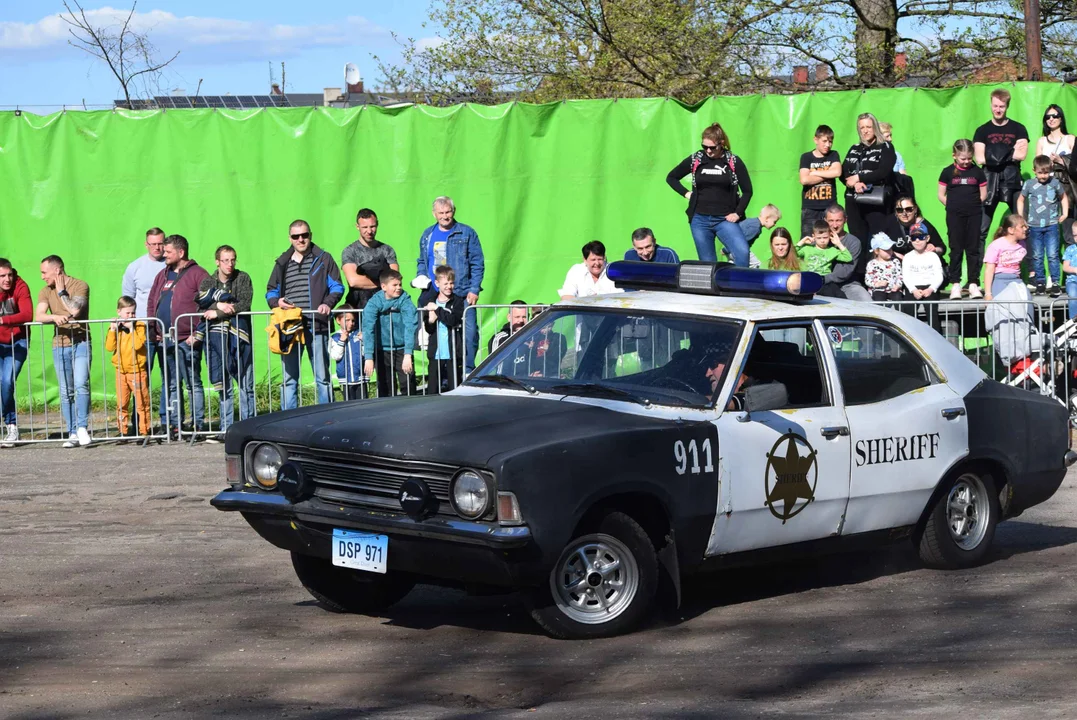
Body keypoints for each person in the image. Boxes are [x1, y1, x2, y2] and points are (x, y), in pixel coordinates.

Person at [266, 219, 344, 409]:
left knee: (323, 377)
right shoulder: (282, 263)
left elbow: (337, 287)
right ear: (290, 238)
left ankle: (326, 419)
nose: (301, 239)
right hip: (289, 328)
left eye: (304, 235)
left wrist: (327, 303)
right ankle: (288, 421)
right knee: (289, 379)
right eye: (296, 236)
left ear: (310, 236)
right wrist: (277, 302)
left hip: (317, 326)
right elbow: (270, 291)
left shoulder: (324, 259)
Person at [666, 122, 754, 266]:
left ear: (722, 143)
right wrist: (687, 194)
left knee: (742, 252)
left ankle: (739, 286)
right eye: (704, 146)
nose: (708, 151)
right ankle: (714, 288)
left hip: (725, 219)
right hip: (699, 219)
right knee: (708, 265)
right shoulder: (697, 159)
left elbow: (747, 191)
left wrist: (738, 213)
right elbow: (671, 177)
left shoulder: (733, 161)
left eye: (712, 147)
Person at [147, 235, 210, 436]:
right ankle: (174, 425)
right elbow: (152, 302)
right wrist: (153, 328)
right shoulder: (162, 275)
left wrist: (198, 333)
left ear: (181, 253)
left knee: (193, 382)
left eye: (168, 252)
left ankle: (197, 424)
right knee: (171, 383)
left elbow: (209, 305)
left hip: (187, 339)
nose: (163, 254)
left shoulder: (198, 274)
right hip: (164, 339)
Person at [415, 197, 484, 375]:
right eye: (441, 213)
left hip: (461, 291)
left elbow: (477, 262)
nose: (445, 216)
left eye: (448, 212)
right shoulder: (427, 234)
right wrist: (421, 277)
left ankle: (467, 370)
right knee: (437, 333)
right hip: (434, 292)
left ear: (453, 211)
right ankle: (441, 373)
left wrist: (474, 289)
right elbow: (422, 260)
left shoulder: (467, 233)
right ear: (434, 214)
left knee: (469, 333)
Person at [195, 245, 254, 436]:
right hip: (216, 339)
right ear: (217, 262)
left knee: (246, 383)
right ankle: (226, 428)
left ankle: (248, 427)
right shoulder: (207, 282)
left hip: (240, 337)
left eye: (233, 259)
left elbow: (244, 303)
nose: (230, 264)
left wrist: (218, 311)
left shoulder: (243, 277)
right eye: (226, 260)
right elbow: (200, 304)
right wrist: (219, 303)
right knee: (224, 384)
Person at [36, 255, 92, 447]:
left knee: (81, 384)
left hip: (81, 341)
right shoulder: (44, 291)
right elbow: (39, 315)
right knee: (65, 391)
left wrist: (62, 293)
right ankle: (72, 431)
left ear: (57, 270)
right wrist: (54, 318)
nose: (42, 276)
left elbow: (75, 310)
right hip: (59, 344)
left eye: (45, 272)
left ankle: (82, 427)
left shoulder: (80, 285)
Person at [974, 89, 1029, 244]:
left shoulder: (1019, 128)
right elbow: (980, 158)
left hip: (1012, 178)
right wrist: (1009, 151)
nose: (998, 110)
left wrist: (992, 153)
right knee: (981, 230)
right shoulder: (982, 130)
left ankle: (1028, 266)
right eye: (995, 106)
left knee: (1022, 226)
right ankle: (977, 268)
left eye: (1002, 106)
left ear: (1007, 106)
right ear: (991, 105)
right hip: (989, 180)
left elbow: (1021, 155)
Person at [939, 140, 988, 299]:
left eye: (969, 158)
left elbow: (983, 194)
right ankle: (955, 284)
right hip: (954, 215)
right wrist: (953, 205)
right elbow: (941, 195)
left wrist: (973, 205)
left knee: (973, 248)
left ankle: (973, 283)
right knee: (956, 248)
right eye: (963, 159)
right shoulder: (947, 172)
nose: (966, 162)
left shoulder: (977, 172)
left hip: (974, 214)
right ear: (954, 156)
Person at [841, 113, 897, 243]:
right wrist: (855, 184)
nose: (865, 131)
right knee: (857, 241)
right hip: (854, 201)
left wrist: (860, 177)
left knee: (879, 241)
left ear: (875, 128)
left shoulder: (885, 147)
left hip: (876, 201)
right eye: (862, 128)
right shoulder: (854, 148)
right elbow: (844, 172)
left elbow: (884, 171)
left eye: (869, 127)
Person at [1017, 155, 1069, 295]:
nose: (1043, 176)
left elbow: (1063, 198)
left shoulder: (1055, 183)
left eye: (1046, 172)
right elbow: (1021, 200)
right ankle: (1040, 282)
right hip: (1034, 226)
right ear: (1034, 170)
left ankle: (1055, 283)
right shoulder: (1029, 184)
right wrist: (1022, 217)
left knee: (1052, 254)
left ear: (1050, 170)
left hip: (1051, 225)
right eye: (1040, 172)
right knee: (1037, 255)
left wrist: (1064, 213)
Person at [363, 269, 419, 397]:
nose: (398, 288)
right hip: (382, 350)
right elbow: (368, 328)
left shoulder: (405, 299)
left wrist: (408, 354)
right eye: (394, 285)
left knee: (407, 384)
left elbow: (410, 326)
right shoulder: (374, 302)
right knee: (385, 387)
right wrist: (369, 357)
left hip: (402, 348)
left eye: (400, 284)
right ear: (383, 286)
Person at [121, 228, 167, 377]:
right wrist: (130, 324)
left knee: (170, 377)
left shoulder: (172, 265)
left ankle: (169, 402)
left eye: (160, 243)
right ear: (146, 244)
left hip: (169, 328)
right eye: (152, 244)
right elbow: (127, 299)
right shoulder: (134, 267)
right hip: (143, 329)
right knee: (141, 375)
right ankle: (140, 402)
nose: (157, 247)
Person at [105, 296, 150, 441]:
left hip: (137, 371)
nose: (131, 316)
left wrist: (131, 330)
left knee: (142, 403)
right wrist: (112, 330)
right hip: (121, 371)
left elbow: (138, 345)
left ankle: (144, 431)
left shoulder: (140, 326)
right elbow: (109, 347)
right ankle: (122, 431)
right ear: (119, 312)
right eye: (127, 313)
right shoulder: (116, 327)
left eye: (133, 313)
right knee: (122, 403)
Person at [0, 259, 32, 447]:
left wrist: (4, 321)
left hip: (17, 341)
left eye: (10, 274)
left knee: (7, 381)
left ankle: (11, 425)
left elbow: (27, 314)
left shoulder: (20, 286)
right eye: (2, 276)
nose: (7, 279)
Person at [341, 208, 399, 309]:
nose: (369, 231)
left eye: (372, 226)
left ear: (377, 224)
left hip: (384, 307)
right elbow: (353, 281)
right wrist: (384, 283)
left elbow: (395, 278)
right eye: (365, 227)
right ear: (357, 227)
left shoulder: (387, 250)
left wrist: (388, 283)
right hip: (358, 307)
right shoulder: (350, 251)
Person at [422, 265, 466, 394]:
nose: (449, 286)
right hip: (436, 351)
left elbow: (454, 320)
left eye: (451, 283)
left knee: (454, 387)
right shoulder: (430, 300)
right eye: (445, 283)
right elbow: (429, 328)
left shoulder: (457, 301)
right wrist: (430, 321)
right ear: (437, 283)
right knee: (433, 388)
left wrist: (437, 310)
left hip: (452, 351)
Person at [799, 125, 842, 237]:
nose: (827, 145)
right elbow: (804, 180)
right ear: (815, 140)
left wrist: (814, 172)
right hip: (810, 208)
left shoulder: (833, 155)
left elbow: (837, 172)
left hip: (830, 207)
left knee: (832, 238)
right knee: (808, 239)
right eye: (824, 141)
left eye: (830, 141)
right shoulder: (806, 157)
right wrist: (828, 173)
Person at [822, 204, 871, 301]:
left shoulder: (854, 242)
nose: (835, 225)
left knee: (868, 303)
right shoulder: (820, 240)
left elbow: (846, 271)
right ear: (825, 220)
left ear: (845, 220)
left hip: (848, 284)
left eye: (838, 220)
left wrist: (822, 279)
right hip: (823, 285)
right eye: (831, 221)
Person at [901, 227, 945, 330]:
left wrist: (931, 289)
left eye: (921, 237)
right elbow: (906, 276)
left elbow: (939, 276)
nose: (917, 240)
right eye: (914, 237)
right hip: (912, 288)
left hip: (929, 287)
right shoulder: (907, 257)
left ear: (927, 238)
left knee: (932, 314)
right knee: (909, 313)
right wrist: (913, 290)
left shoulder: (933, 256)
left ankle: (936, 338)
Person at [796, 220, 852, 295]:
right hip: (808, 279)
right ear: (814, 236)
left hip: (824, 282)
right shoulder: (807, 249)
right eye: (819, 238)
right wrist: (802, 241)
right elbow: (793, 253)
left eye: (825, 237)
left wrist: (838, 243)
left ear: (830, 235)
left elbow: (848, 258)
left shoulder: (832, 250)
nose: (822, 241)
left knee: (838, 294)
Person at [883, 196, 946, 260]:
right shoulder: (889, 222)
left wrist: (934, 249)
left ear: (915, 209)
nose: (904, 213)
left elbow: (942, 248)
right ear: (896, 212)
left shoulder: (923, 224)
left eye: (908, 209)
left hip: (923, 264)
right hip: (899, 264)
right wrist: (900, 257)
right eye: (900, 210)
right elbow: (878, 248)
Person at [983, 215, 1030, 301]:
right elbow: (989, 270)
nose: (1025, 229)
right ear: (1011, 230)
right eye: (1022, 227)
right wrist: (988, 294)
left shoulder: (1023, 244)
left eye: (1025, 226)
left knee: (1027, 303)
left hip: (1016, 279)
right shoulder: (996, 245)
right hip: (1000, 279)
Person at [329, 306, 366, 401]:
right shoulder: (335, 337)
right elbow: (335, 356)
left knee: (364, 403)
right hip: (345, 378)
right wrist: (341, 341)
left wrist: (364, 341)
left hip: (361, 376)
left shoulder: (358, 334)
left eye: (353, 320)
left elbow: (365, 353)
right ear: (338, 320)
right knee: (349, 404)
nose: (351, 323)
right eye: (347, 320)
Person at [865, 234, 904, 302]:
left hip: (894, 289)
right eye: (886, 250)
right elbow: (868, 279)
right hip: (878, 290)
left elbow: (900, 276)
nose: (889, 251)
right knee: (878, 299)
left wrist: (898, 285)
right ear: (877, 251)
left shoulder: (895, 261)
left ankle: (899, 312)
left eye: (890, 249)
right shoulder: (871, 264)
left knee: (898, 298)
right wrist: (876, 284)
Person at [1063, 223, 1077, 318]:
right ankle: (1074, 321)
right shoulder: (1070, 249)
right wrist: (1075, 269)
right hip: (1073, 281)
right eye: (1075, 235)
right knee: (1073, 295)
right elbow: (1065, 267)